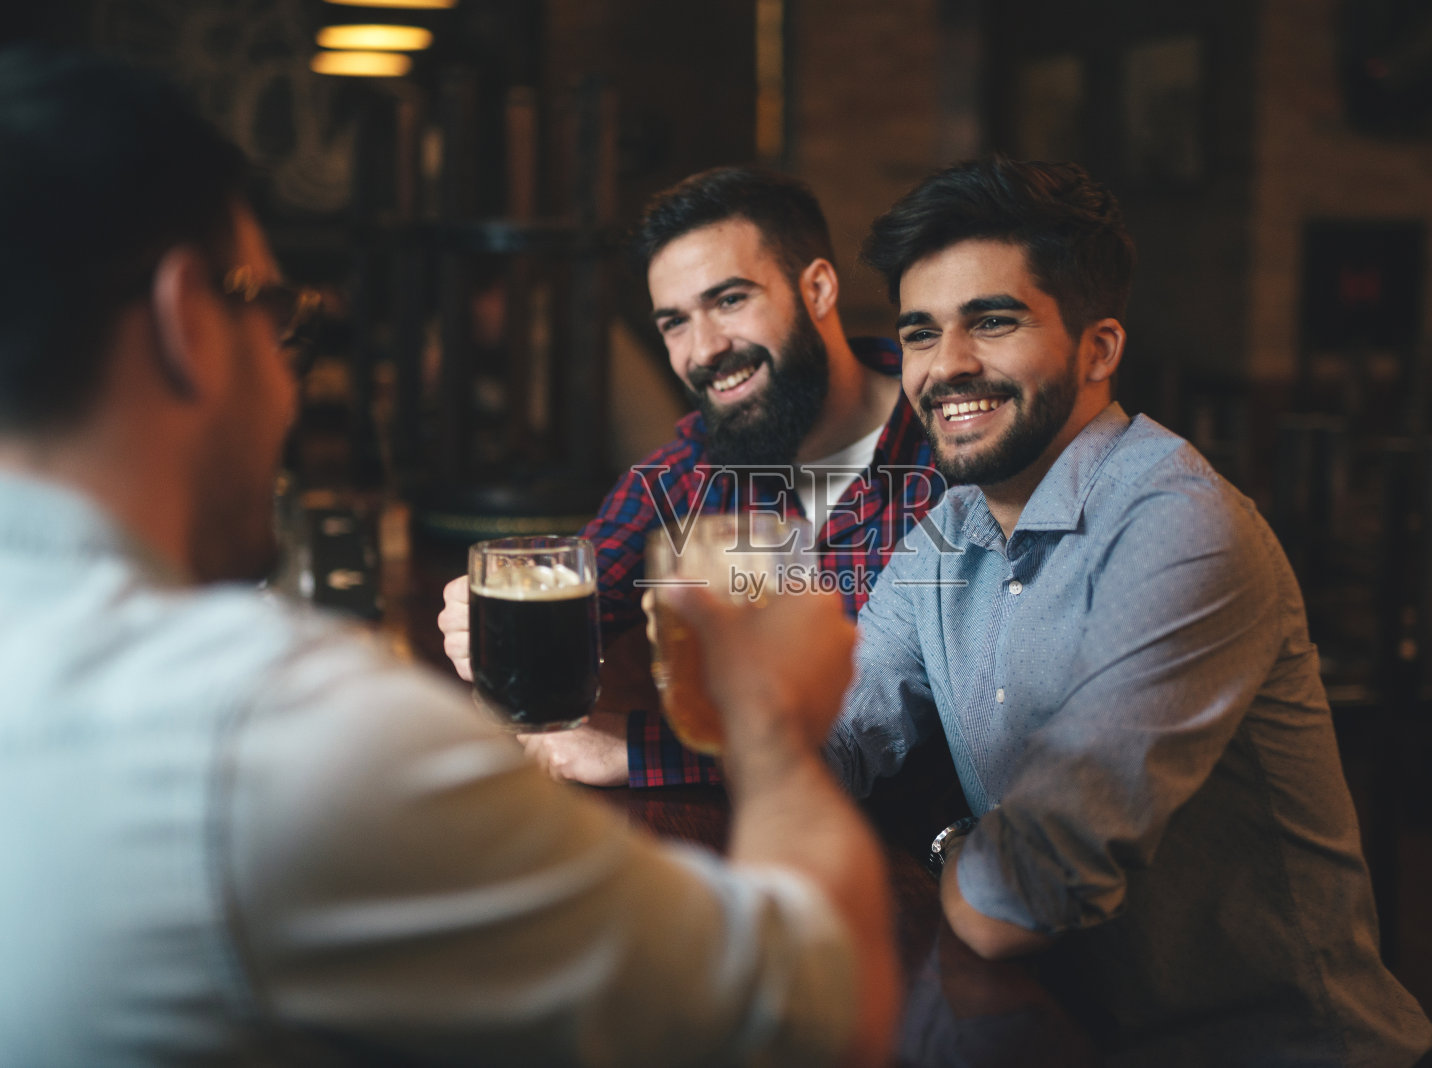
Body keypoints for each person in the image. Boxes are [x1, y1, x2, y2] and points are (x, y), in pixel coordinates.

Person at [0, 46, 897, 1066]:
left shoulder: (959, 457)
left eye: (729, 301)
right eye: (279, 317)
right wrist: (759, 728)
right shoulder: (285, 737)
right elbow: (810, 1012)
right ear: (187, 329)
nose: (292, 381)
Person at [827, 157, 1432, 1065]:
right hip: (1064, 1030)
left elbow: (1015, 902)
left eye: (993, 321)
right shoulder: (947, 530)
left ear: (1099, 349)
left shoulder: (1180, 528)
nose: (946, 365)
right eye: (921, 332)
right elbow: (835, 729)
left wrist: (949, 846)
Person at [439, 167, 939, 788]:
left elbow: (890, 730)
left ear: (817, 289)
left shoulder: (955, 445)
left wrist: (636, 750)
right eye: (674, 322)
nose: (702, 350)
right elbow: (584, 597)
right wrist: (488, 623)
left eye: (729, 301)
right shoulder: (695, 464)